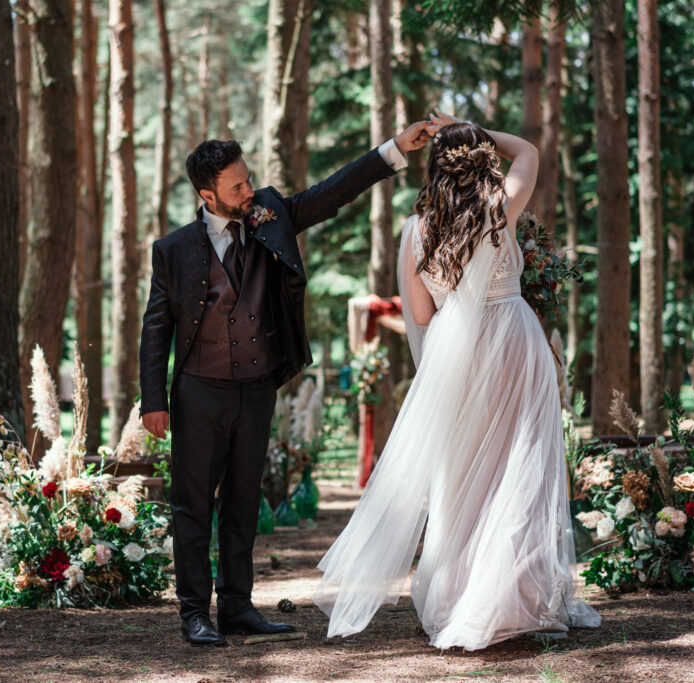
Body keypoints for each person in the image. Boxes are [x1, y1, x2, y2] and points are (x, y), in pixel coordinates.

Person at [314, 110, 601, 650]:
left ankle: (463, 594)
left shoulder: (417, 230)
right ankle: (517, 595)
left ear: (435, 170)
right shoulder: (500, 208)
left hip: (458, 357)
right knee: (521, 465)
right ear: (484, 162)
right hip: (514, 342)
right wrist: (466, 125)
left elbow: (420, 315)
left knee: (464, 474)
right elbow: (530, 153)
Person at [139, 122, 433, 647]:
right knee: (191, 505)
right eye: (236, 187)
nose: (248, 192)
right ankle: (194, 613)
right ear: (207, 195)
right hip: (197, 392)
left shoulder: (271, 215)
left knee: (244, 501)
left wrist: (392, 151)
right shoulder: (174, 249)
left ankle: (235, 607)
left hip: (255, 388)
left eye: (248, 180)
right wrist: (152, 401)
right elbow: (156, 326)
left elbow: (332, 192)